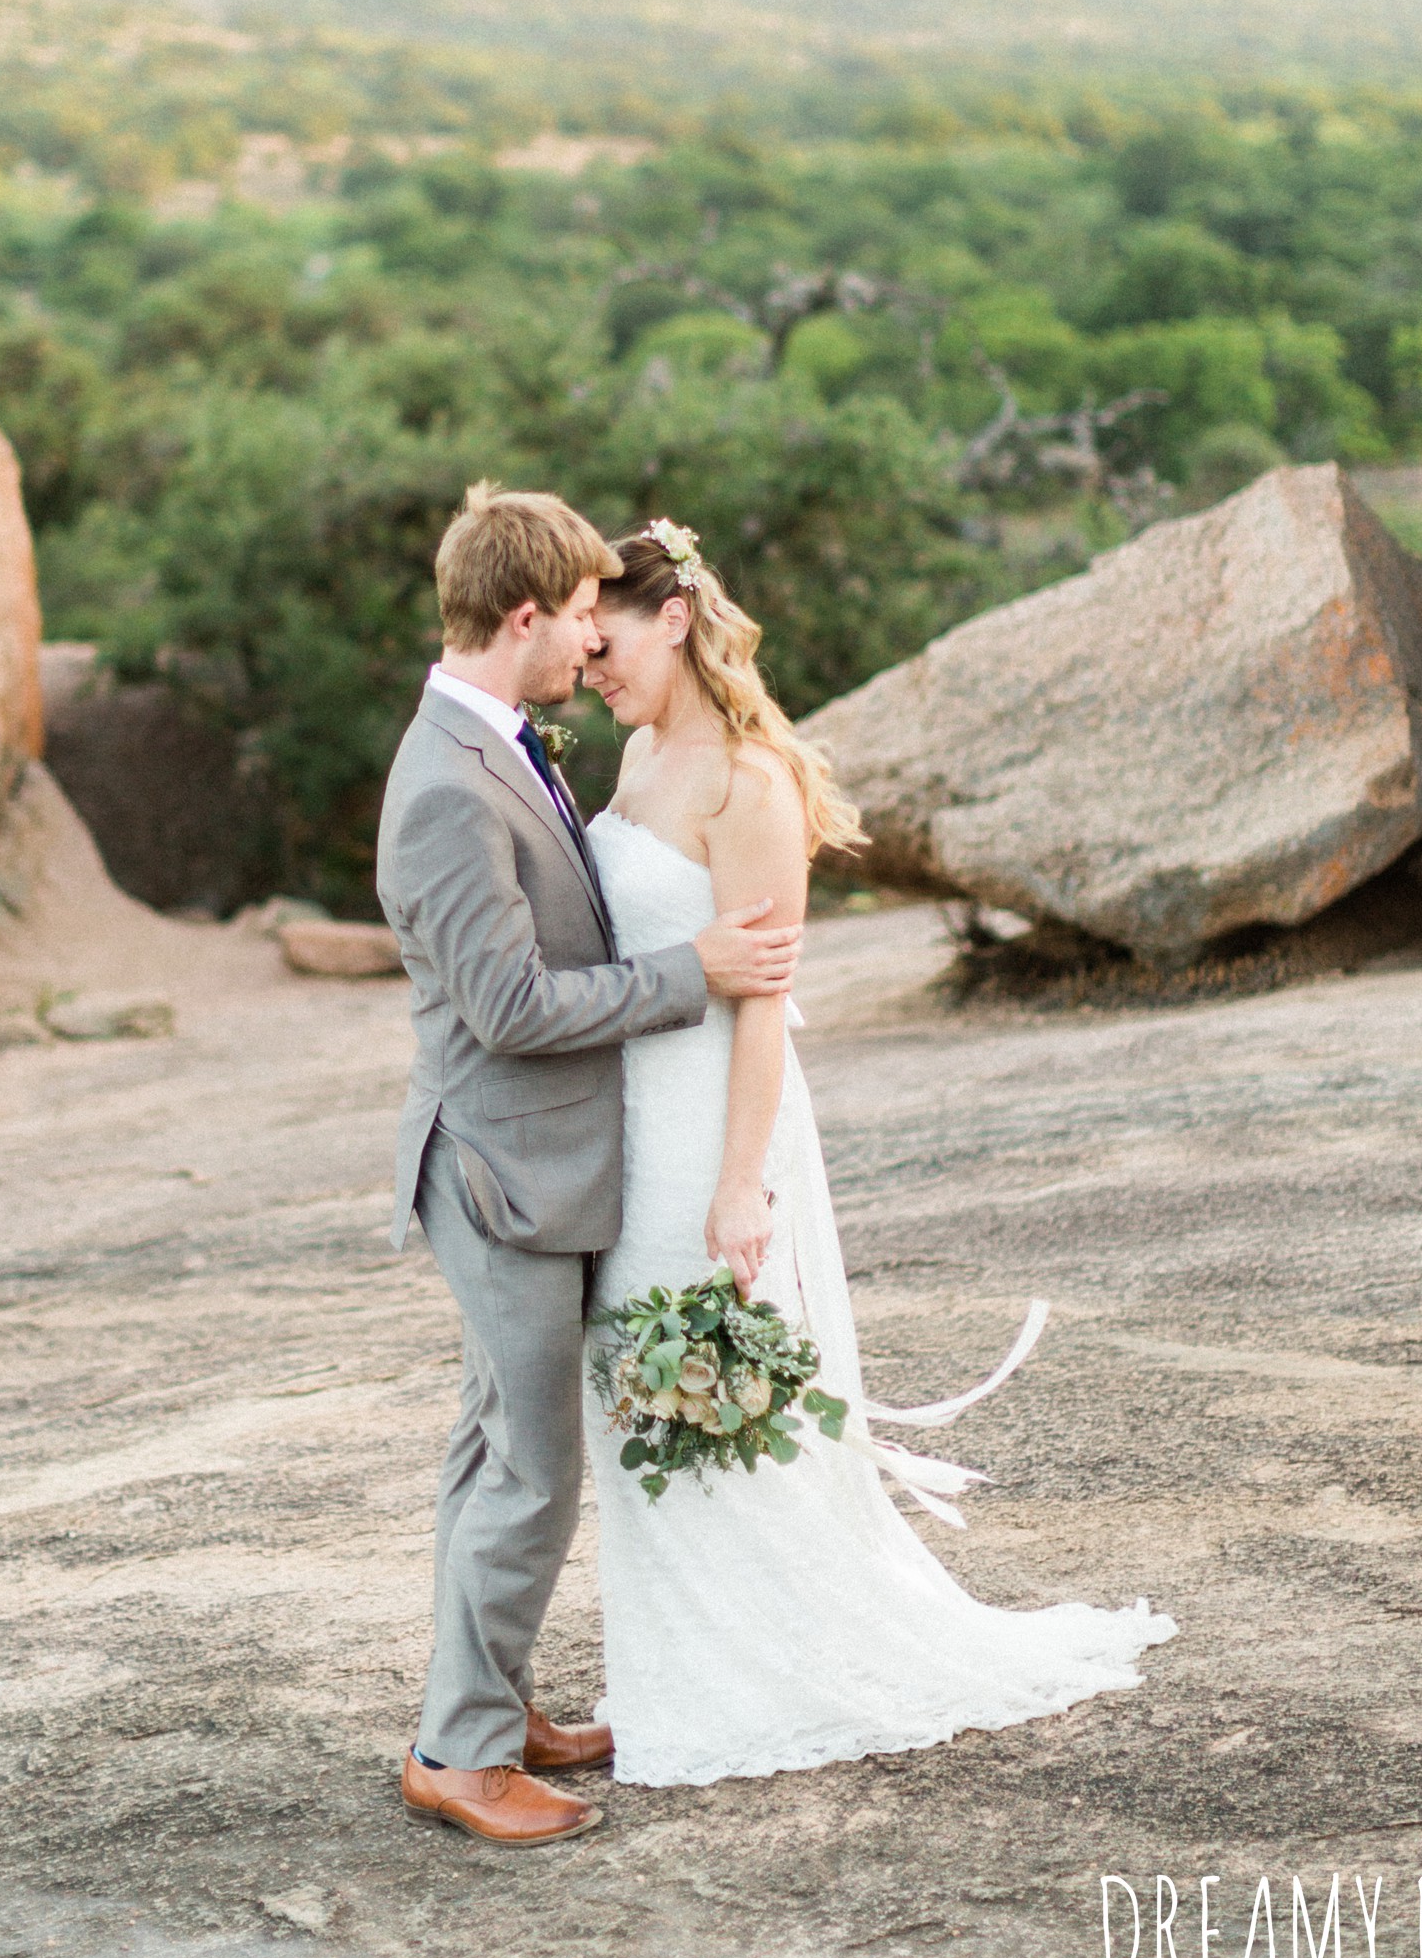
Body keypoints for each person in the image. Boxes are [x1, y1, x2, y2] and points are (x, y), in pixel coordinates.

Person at [578, 519, 1177, 1787]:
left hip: (709, 1126)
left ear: (672, 618)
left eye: (606, 636)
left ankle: (770, 1662)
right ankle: (680, 1663)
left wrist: (740, 1184)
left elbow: (760, 1005)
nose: (589, 663)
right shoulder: (634, 757)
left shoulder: (750, 780)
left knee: (721, 1389)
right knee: (636, 1389)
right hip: (629, 1125)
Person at [376, 483, 805, 1846]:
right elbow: (507, 1009)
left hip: (530, 1163)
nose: (590, 644)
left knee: (491, 1451)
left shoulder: (496, 738)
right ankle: (462, 1755)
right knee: (530, 1472)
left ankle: (488, 1705)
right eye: (572, 617)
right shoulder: (450, 784)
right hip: (504, 1174)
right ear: (520, 618)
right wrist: (695, 973)